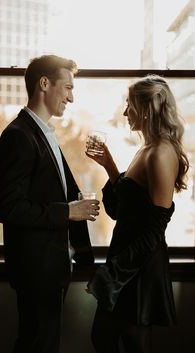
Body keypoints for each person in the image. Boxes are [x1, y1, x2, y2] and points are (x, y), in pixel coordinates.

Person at [0, 54, 100, 353]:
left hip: (51, 268)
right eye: (67, 87)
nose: (72, 97)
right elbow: (9, 209)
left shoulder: (44, 133)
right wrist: (69, 211)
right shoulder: (18, 136)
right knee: (37, 346)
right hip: (36, 271)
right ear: (44, 84)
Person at [86, 75, 189, 353]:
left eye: (129, 105)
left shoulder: (160, 153)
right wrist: (109, 165)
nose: (124, 112)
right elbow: (122, 211)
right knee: (105, 337)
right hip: (126, 260)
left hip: (138, 267)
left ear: (145, 108)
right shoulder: (145, 149)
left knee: (130, 343)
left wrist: (117, 272)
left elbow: (156, 227)